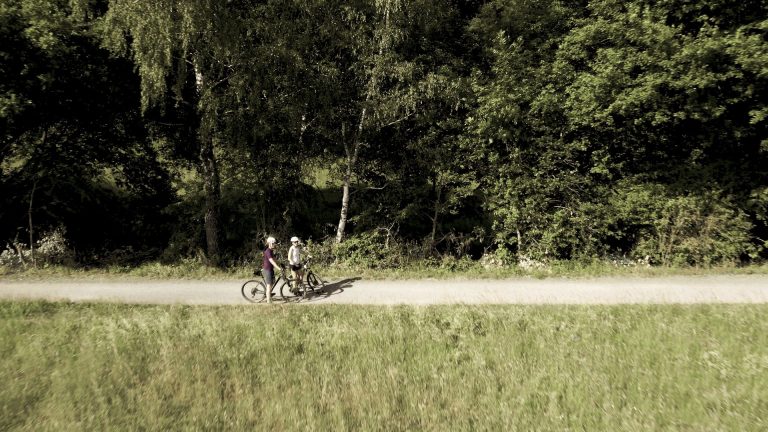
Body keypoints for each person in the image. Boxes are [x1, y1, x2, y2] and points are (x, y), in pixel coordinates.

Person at [262, 236, 282, 304]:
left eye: (274, 243)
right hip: (267, 270)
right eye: (273, 243)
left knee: (272, 282)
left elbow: (274, 259)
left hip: (270, 269)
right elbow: (272, 261)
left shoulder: (271, 250)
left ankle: (269, 293)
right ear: (269, 243)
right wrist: (278, 268)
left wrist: (280, 264)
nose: (274, 244)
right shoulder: (268, 251)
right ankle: (268, 301)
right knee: (269, 285)